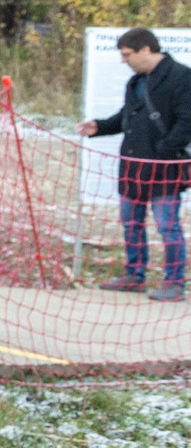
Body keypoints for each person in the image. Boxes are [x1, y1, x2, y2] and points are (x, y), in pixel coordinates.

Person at [82, 28, 191, 299]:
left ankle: (174, 283)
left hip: (164, 168)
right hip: (132, 167)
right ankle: (134, 276)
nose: (124, 60)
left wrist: (164, 150)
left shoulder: (182, 77)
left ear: (145, 49)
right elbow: (126, 117)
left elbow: (187, 121)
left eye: (127, 54)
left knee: (168, 225)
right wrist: (99, 127)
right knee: (131, 223)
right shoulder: (135, 82)